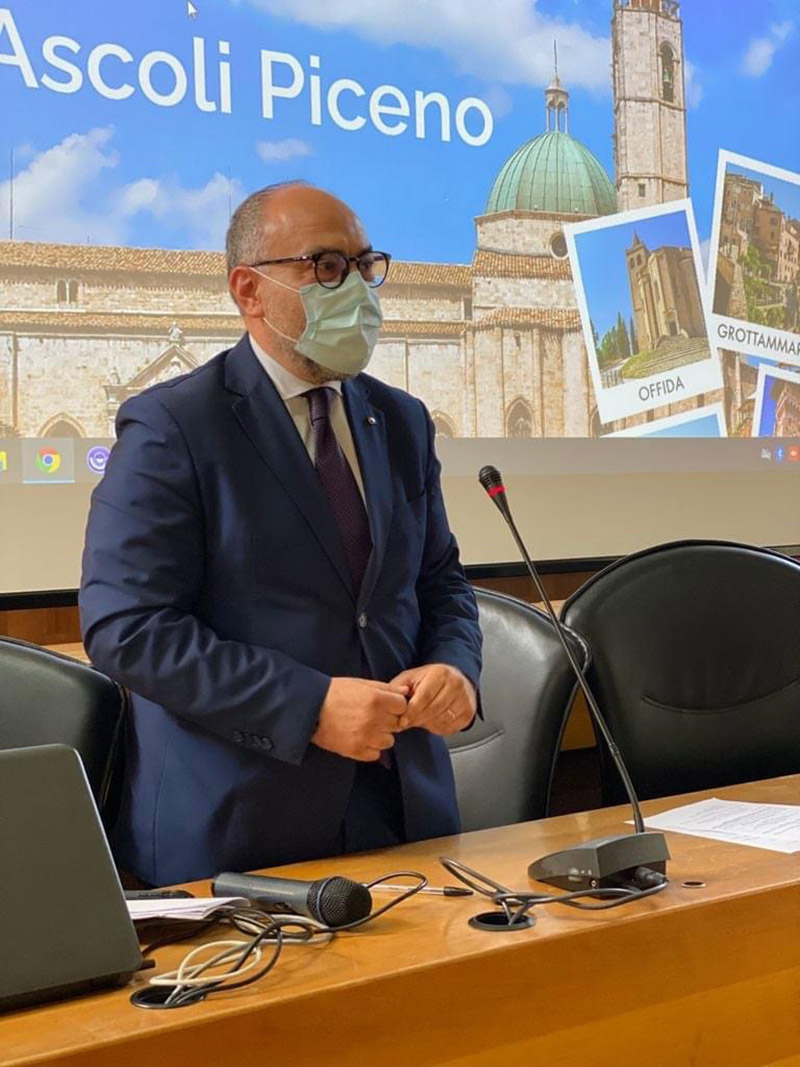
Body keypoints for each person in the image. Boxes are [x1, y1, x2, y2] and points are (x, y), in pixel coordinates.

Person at [79, 182, 482, 886]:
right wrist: (308, 707)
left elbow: (438, 580)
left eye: (365, 265)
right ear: (249, 290)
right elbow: (127, 627)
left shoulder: (402, 421)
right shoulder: (175, 425)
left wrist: (455, 668)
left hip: (406, 817)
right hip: (240, 832)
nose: (355, 289)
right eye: (326, 267)